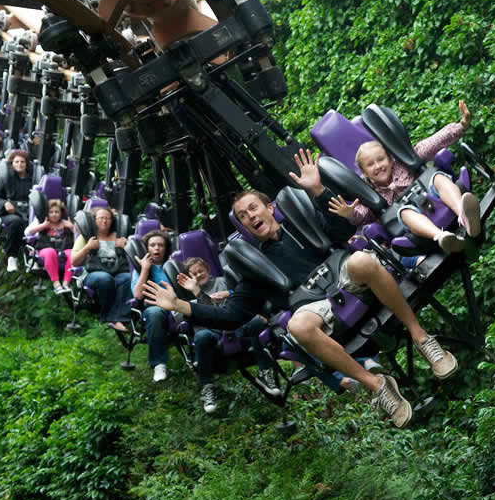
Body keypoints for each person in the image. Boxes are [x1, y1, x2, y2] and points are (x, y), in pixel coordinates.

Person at [144, 150, 459, 428]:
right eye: (242, 216)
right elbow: (233, 314)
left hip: (344, 279)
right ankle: (376, 384)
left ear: (269, 208)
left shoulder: (301, 220)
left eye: (253, 208)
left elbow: (341, 229)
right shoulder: (254, 266)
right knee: (297, 324)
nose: (250, 216)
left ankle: (422, 338)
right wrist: (182, 306)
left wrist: (319, 191)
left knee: (362, 259)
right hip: (315, 307)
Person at [329, 100, 481, 254]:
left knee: (436, 177)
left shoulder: (405, 161)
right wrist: (350, 214)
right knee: (403, 212)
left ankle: (463, 214)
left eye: (380, 159)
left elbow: (433, 144)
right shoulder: (370, 194)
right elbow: (362, 216)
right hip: (417, 225)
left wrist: (460, 126)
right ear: (364, 172)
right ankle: (442, 237)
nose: (377, 166)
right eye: (370, 165)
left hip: (436, 200)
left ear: (389, 158)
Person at [176, 256, 278, 413]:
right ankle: (207, 387)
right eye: (193, 274)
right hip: (212, 336)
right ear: (189, 277)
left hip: (236, 330)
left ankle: (265, 371)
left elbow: (243, 296)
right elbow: (213, 315)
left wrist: (228, 293)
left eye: (200, 271)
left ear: (208, 270)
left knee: (255, 322)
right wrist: (196, 292)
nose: (198, 276)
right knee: (201, 336)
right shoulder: (188, 295)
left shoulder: (222, 282)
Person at [71, 206, 131, 330]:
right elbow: (74, 262)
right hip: (93, 274)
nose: (104, 221)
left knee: (127, 278)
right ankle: (108, 317)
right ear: (94, 220)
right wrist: (87, 248)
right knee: (105, 278)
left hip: (117, 271)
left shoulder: (119, 237)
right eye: (101, 218)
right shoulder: (86, 237)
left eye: (108, 218)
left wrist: (126, 247)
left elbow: (133, 259)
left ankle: (121, 319)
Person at [131, 230, 173, 382]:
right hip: (156, 306)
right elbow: (137, 295)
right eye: (152, 245)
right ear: (147, 248)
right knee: (153, 313)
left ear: (166, 248)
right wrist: (145, 269)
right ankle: (159, 364)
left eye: (160, 245)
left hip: (176, 303)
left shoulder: (172, 264)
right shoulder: (140, 269)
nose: (156, 248)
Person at [0, 150, 33, 272]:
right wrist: (4, 203)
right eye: (16, 162)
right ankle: (12, 256)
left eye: (22, 162)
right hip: (10, 213)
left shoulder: (33, 180)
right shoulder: (5, 179)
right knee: (16, 222)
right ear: (12, 164)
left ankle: (32, 257)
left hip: (28, 211)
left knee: (36, 225)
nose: (19, 164)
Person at [24, 199, 75, 294]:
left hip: (63, 251)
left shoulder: (66, 223)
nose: (54, 214)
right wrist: (42, 226)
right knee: (50, 251)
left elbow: (79, 236)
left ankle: (66, 284)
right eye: (51, 212)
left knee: (72, 253)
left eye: (56, 212)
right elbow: (27, 232)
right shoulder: (41, 221)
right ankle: (56, 284)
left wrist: (72, 227)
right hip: (45, 251)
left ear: (61, 213)